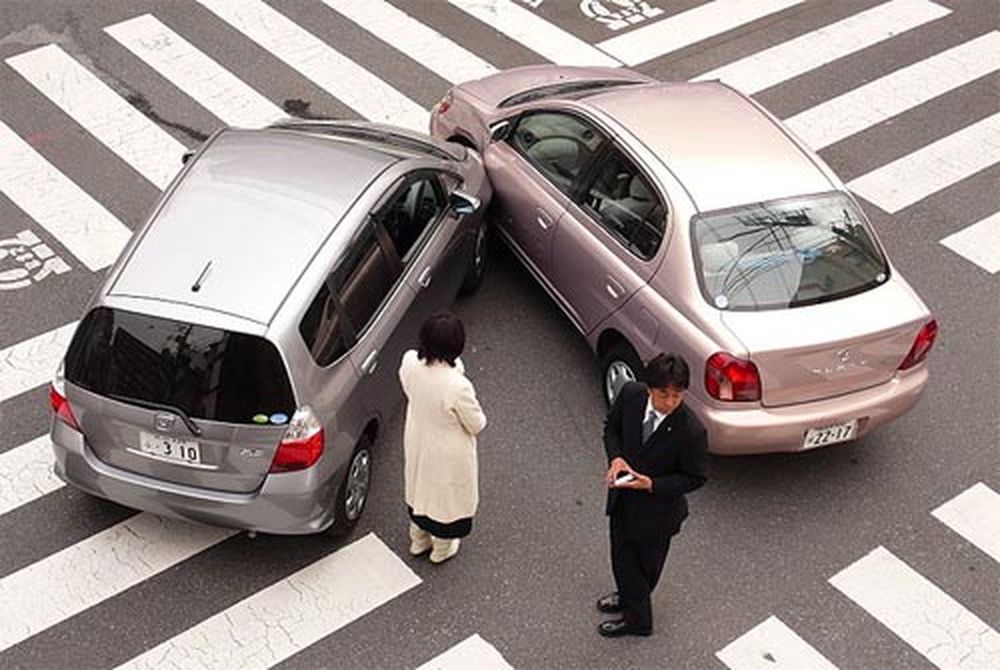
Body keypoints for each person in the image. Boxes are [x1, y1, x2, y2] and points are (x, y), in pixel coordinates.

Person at [597, 353, 708, 637]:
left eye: (677, 395)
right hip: (623, 499)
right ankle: (626, 596)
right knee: (621, 557)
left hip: (658, 514)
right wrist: (616, 458)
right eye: (663, 394)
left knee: (644, 568)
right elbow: (612, 428)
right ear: (649, 387)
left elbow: (695, 478)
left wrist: (652, 484)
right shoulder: (631, 395)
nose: (670, 402)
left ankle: (638, 621)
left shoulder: (691, 431)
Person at [399, 313, 487, 564]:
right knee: (444, 499)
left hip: (418, 437)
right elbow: (477, 423)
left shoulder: (409, 363)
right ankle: (441, 548)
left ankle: (418, 539)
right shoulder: (458, 386)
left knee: (419, 487)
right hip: (447, 451)